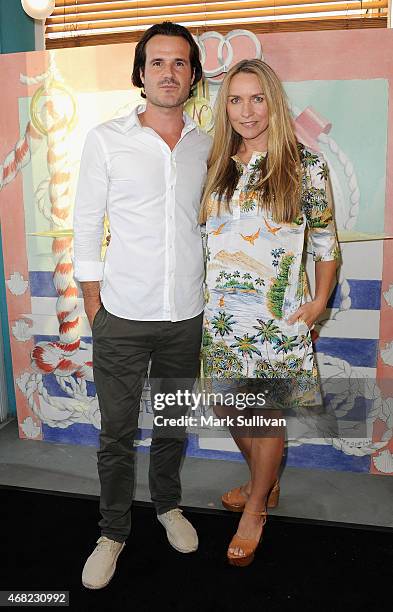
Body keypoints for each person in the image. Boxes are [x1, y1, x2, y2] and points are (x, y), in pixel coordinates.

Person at [73, 22, 211, 589]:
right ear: (141, 72)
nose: (169, 72)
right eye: (158, 62)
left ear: (193, 75)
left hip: (186, 313)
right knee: (117, 433)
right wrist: (93, 306)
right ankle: (112, 531)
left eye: (179, 63)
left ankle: (168, 506)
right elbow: (85, 225)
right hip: (122, 316)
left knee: (175, 422)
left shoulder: (209, 143)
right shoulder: (106, 139)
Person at [199, 59, 340, 566]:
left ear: (273, 101)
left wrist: (319, 303)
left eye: (256, 98)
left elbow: (326, 246)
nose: (246, 111)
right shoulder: (215, 165)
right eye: (235, 99)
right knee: (229, 409)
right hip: (220, 318)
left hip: (278, 320)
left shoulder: (305, 166)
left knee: (267, 415)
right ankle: (268, 481)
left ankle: (256, 506)